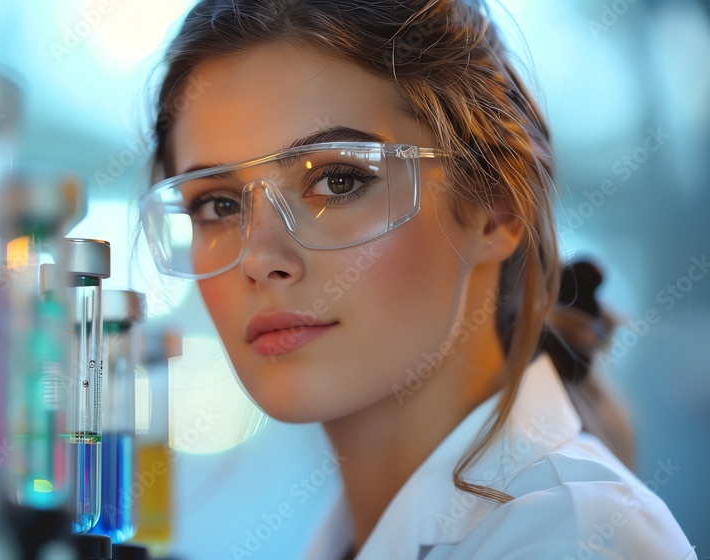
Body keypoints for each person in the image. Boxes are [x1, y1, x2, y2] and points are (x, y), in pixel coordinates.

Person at [137, 0, 697, 558]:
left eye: (336, 181)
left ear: (495, 207)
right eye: (217, 205)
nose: (260, 258)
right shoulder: (350, 538)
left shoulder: (572, 539)